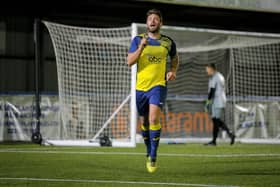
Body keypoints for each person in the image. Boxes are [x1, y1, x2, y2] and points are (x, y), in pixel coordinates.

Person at [127, 9, 179, 173]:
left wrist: (173, 71)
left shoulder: (168, 42)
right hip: (140, 87)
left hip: (158, 85)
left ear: (160, 23)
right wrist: (141, 48)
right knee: (144, 123)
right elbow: (129, 61)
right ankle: (148, 151)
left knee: (153, 117)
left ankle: (154, 156)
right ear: (147, 23)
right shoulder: (138, 40)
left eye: (156, 19)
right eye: (150, 19)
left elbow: (175, 59)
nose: (152, 21)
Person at [204, 63, 235, 146]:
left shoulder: (215, 77)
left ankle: (215, 141)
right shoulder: (220, 76)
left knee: (216, 121)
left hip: (218, 101)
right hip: (219, 100)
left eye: (207, 69)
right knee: (216, 120)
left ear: (211, 69)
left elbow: (212, 91)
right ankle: (230, 134)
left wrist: (208, 102)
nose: (206, 71)